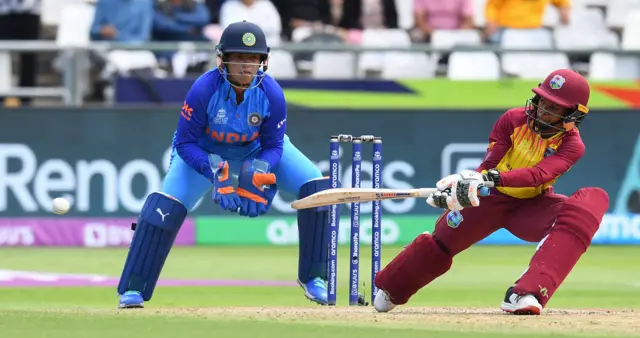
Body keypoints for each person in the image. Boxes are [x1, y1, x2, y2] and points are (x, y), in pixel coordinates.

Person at [117, 21, 333, 308]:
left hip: (255, 149)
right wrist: (213, 169)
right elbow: (184, 144)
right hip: (204, 152)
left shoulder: (272, 94)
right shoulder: (203, 89)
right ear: (222, 60)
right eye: (239, 58)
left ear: (263, 62)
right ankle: (133, 289)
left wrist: (260, 168)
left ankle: (314, 278)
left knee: (316, 188)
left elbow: (274, 146)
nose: (246, 66)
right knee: (163, 208)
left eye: (253, 59)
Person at [373, 69, 609, 315]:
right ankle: (393, 286)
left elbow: (539, 174)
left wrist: (489, 178)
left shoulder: (572, 145)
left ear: (572, 116)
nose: (542, 110)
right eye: (543, 101)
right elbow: (488, 164)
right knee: (440, 242)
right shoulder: (513, 119)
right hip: (490, 200)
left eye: (554, 107)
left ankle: (525, 293)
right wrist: (464, 186)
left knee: (592, 201)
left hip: (532, 206)